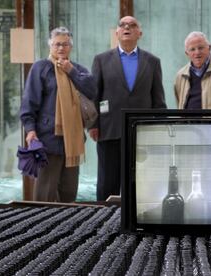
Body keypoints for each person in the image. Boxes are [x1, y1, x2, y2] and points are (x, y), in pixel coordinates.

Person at [90, 16, 167, 201]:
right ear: (116, 33)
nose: (127, 28)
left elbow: (158, 99)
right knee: (107, 183)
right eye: (122, 25)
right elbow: (94, 94)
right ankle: (101, 224)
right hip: (109, 130)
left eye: (132, 25)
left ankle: (139, 224)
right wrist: (93, 124)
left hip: (142, 133)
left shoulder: (152, 61)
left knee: (141, 183)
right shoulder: (101, 60)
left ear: (139, 33)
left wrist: (160, 129)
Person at [20, 26, 96, 202]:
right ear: (50, 46)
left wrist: (71, 71)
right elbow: (29, 102)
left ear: (71, 47)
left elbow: (92, 91)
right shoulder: (41, 67)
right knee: (45, 193)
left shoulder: (78, 69)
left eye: (65, 44)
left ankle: (67, 227)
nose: (61, 48)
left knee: (69, 193)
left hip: (73, 141)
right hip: (48, 138)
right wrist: (30, 130)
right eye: (57, 44)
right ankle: (41, 227)